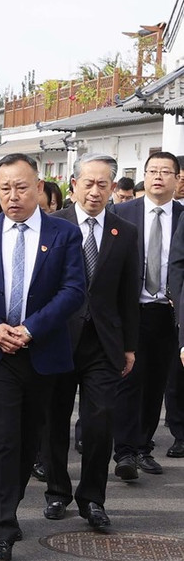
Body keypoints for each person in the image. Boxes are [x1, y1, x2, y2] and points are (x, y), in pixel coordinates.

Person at [0, 152, 85, 561]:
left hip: (42, 351)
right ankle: (1, 528)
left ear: (40, 188)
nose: (13, 196)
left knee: (30, 441)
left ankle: (9, 504)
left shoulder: (63, 235)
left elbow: (72, 292)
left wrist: (30, 329)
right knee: (4, 438)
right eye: (6, 187)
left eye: (22, 187)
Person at [43, 153, 139, 531]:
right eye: (89, 183)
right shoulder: (53, 226)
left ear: (113, 188)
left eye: (104, 184)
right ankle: (56, 491)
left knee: (99, 422)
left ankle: (93, 498)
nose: (95, 191)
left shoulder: (122, 231)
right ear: (74, 184)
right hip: (58, 339)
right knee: (54, 420)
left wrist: (129, 345)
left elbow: (128, 293)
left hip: (103, 343)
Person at [113, 152, 183, 479]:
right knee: (128, 379)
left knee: (156, 383)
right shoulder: (123, 213)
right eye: (152, 171)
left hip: (167, 312)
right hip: (131, 309)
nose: (158, 177)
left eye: (166, 172)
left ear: (177, 179)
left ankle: (143, 447)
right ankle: (125, 451)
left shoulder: (183, 216)